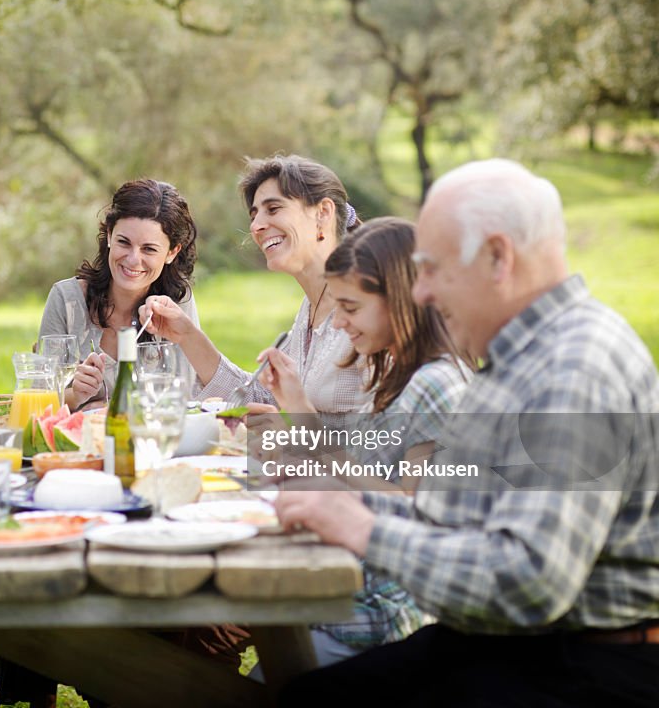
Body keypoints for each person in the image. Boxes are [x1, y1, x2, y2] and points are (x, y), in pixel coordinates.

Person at [275, 159, 659, 707]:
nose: (422, 291)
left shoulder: (574, 368)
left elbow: (529, 582)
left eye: (432, 268)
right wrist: (343, 500)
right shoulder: (518, 358)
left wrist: (363, 527)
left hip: (587, 666)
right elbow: (453, 518)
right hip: (515, 646)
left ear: (498, 257)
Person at [257, 217, 471, 666]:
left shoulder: (436, 386)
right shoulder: (396, 370)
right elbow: (367, 472)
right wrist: (297, 409)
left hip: (388, 612)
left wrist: (325, 486)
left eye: (350, 308)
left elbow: (416, 511)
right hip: (356, 583)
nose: (339, 323)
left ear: (401, 300)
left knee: (270, 664)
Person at [142, 154, 368, 416]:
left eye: (273, 209)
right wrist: (186, 335)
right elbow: (263, 397)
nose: (257, 226)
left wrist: (288, 440)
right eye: (254, 214)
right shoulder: (310, 310)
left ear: (323, 213)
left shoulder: (370, 311)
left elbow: (388, 448)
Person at [38, 178, 199, 408]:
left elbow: (187, 398)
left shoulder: (176, 304)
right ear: (110, 235)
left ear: (172, 252)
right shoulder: (66, 299)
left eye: (149, 249)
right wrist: (76, 396)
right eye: (124, 242)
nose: (133, 259)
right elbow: (37, 399)